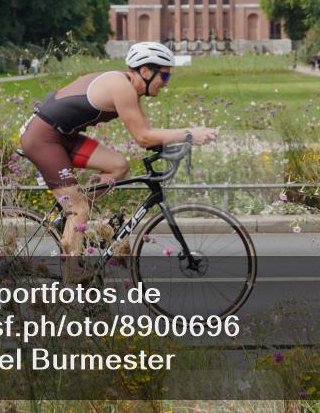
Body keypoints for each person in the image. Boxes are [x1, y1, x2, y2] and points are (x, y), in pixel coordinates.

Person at [17, 41, 218, 283]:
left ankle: (71, 219)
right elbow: (143, 137)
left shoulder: (129, 89)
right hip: (43, 139)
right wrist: (189, 134)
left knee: (119, 166)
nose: (166, 82)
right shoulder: (120, 86)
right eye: (163, 75)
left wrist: (176, 145)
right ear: (145, 71)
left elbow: (149, 134)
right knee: (80, 207)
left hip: (62, 136)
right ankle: (72, 274)